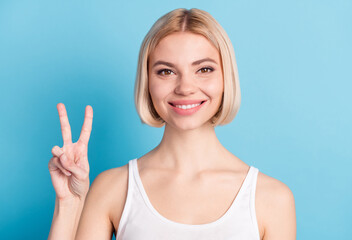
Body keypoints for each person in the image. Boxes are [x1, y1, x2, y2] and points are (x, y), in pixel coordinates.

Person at [48, 8, 296, 240]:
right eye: (166, 71)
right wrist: (68, 204)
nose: (185, 87)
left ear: (225, 78)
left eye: (204, 69)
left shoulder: (271, 198)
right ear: (148, 82)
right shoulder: (113, 188)